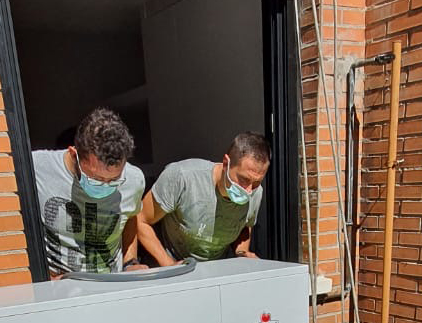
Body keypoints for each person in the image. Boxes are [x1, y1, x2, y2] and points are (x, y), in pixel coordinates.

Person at [32, 107, 146, 276]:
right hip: (60, 288)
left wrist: (130, 261)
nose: (105, 187)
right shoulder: (36, 169)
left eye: (114, 180)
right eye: (96, 179)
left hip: (111, 282)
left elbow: (130, 216)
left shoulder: (134, 179)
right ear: (73, 154)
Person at [136, 132, 271, 265]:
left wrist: (242, 253)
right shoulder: (183, 177)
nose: (248, 190)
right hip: (172, 265)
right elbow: (140, 220)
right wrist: (169, 265)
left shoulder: (256, 193)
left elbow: (244, 224)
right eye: (243, 179)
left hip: (215, 269)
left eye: (257, 182)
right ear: (226, 163)